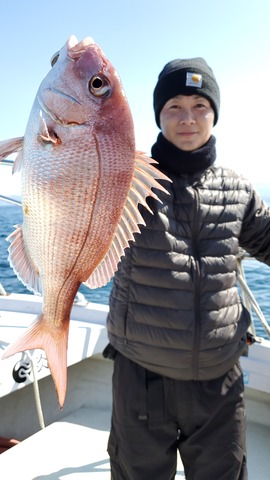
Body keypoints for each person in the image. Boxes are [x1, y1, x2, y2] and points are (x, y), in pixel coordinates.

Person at [103, 57, 270, 480]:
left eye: (200, 106)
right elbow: (73, 201)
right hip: (141, 374)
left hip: (218, 380)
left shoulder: (238, 189)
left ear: (215, 113)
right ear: (158, 115)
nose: (188, 119)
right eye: (174, 106)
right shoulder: (124, 180)